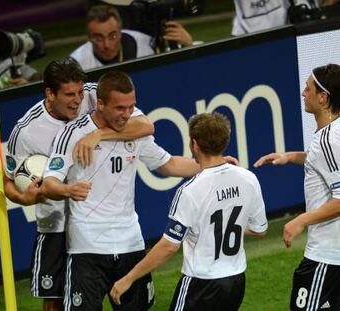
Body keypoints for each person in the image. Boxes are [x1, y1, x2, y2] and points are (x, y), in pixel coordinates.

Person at [42, 71, 240, 310]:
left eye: (131, 107)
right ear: (101, 104)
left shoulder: (134, 131)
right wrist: (68, 190)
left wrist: (213, 163)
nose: (127, 114)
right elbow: (49, 183)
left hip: (130, 243)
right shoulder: (72, 134)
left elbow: (168, 165)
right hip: (87, 246)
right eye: (120, 108)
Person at [4, 60, 154, 311]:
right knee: (54, 301)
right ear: (50, 94)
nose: (77, 100)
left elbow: (145, 126)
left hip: (94, 226)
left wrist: (98, 134)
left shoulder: (96, 95)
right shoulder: (26, 131)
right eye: (69, 94)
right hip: (55, 222)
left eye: (80, 92)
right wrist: (29, 199)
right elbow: (8, 183)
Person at [109, 112, 268, 310]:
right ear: (225, 142)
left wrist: (128, 278)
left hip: (201, 285)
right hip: (236, 281)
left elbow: (169, 246)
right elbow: (259, 230)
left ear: (194, 144)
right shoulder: (248, 179)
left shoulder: (190, 191)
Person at [254, 64, 340, 311]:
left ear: (323, 98)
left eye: (308, 88)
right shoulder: (332, 135)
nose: (303, 93)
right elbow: (326, 162)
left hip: (327, 256)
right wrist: (292, 157)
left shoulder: (328, 141)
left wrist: (300, 220)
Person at [70, 4, 193, 70]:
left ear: (120, 31)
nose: (106, 45)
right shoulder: (77, 63)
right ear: (89, 37)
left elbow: (175, 72)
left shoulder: (145, 45)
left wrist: (189, 47)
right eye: (98, 38)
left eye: (112, 36)